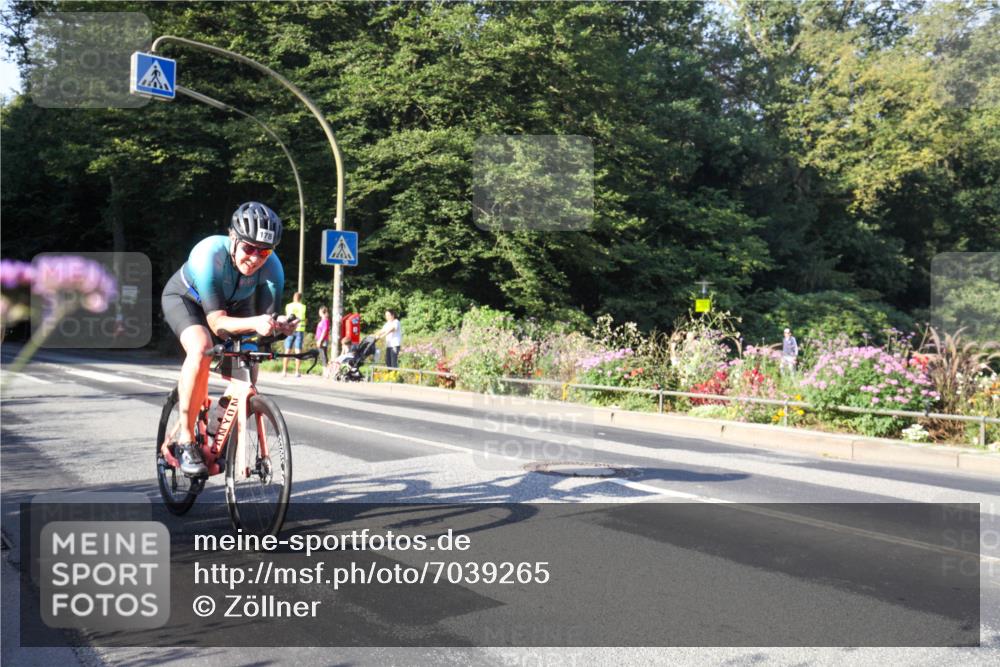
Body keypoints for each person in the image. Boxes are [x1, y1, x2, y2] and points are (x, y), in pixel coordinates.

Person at [161, 202, 296, 476]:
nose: (256, 258)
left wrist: (277, 326)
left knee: (249, 367)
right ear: (233, 239)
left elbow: (265, 322)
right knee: (201, 348)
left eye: (264, 252)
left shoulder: (273, 269)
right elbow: (216, 323)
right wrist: (256, 322)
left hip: (234, 307)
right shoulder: (208, 254)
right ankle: (186, 441)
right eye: (249, 248)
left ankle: (214, 429)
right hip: (188, 301)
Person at [282, 292, 307, 377]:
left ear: (294, 297)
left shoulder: (288, 306)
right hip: (299, 329)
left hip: (289, 329)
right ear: (300, 298)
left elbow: (287, 316)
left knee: (287, 350)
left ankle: (284, 371)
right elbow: (302, 318)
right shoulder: (303, 307)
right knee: (298, 351)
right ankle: (297, 372)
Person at [315, 306, 331, 376]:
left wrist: (320, 340)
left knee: (323, 355)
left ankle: (326, 372)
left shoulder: (325, 320)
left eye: (319, 311)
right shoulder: (323, 320)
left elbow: (324, 331)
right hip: (320, 339)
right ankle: (325, 371)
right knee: (323, 355)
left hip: (323, 340)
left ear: (321, 312)